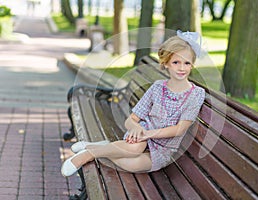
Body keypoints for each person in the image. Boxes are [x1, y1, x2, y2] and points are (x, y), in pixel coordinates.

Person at [61, 30, 206, 177]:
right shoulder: (157, 87)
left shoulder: (196, 94)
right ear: (166, 63)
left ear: (192, 65)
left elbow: (179, 129)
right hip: (139, 138)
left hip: (163, 149)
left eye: (187, 63)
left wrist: (148, 135)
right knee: (136, 148)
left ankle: (104, 148)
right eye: (176, 62)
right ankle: (88, 155)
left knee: (131, 164)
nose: (182, 68)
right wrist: (136, 128)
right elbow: (131, 120)